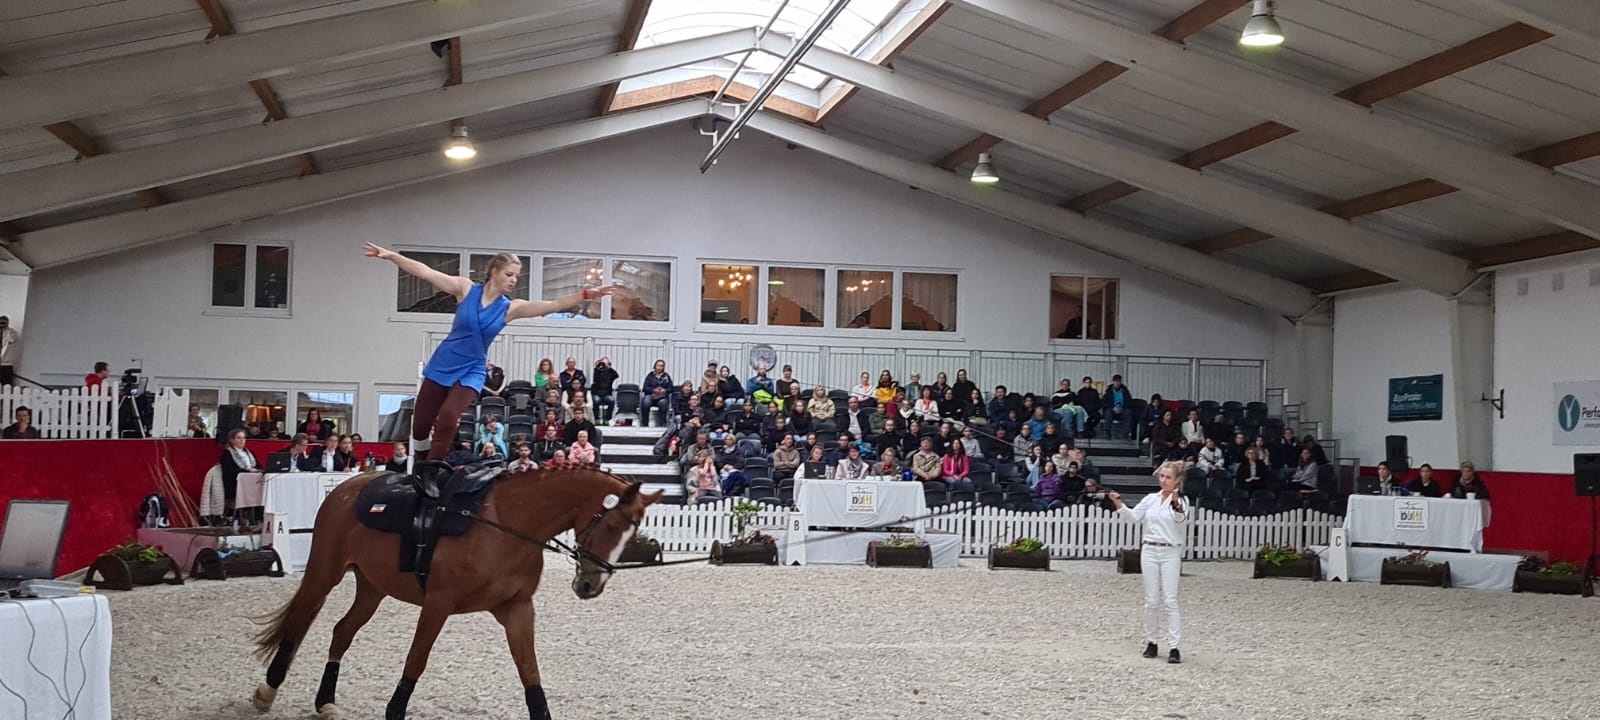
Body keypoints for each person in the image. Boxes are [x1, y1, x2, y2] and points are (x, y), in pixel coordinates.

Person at [366, 242, 614, 492]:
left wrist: (585, 295)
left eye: (517, 276)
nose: (514, 280)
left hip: (473, 369)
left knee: (449, 416)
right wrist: (391, 256)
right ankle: (420, 466)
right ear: (494, 271)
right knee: (419, 426)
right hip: (443, 362)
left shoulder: (510, 308)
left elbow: (554, 304)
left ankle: (431, 472)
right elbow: (426, 272)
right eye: (509, 274)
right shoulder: (465, 289)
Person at [1109, 461, 1190, 664]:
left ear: (1177, 480)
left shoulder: (1182, 501)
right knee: (1151, 599)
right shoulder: (1151, 499)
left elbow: (1181, 521)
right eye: (1162, 476)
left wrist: (1177, 506)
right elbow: (1134, 517)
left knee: (1170, 600)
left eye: (1168, 477)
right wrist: (1119, 504)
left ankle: (1174, 646)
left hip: (1170, 551)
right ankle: (1151, 641)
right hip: (1150, 550)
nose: (1163, 481)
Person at [217, 428, 260, 526]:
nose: (242, 440)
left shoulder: (249, 453)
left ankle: (257, 518)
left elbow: (258, 465)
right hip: (234, 484)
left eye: (244, 438)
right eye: (239, 438)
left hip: (251, 482)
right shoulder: (227, 454)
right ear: (232, 440)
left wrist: (258, 470)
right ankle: (243, 519)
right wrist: (246, 470)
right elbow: (228, 471)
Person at [590, 357, 618, 424]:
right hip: (597, 393)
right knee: (596, 401)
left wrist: (608, 367)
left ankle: (607, 419)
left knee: (611, 400)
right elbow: (595, 377)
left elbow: (616, 375)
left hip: (607, 394)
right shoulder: (597, 371)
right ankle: (596, 418)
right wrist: (598, 365)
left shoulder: (610, 373)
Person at [0, 315, 18, 386]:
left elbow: (12, 339)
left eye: (4, 323)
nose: (2, 324)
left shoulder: (11, 332)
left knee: (6, 384)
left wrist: (6, 330)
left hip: (6, 363)